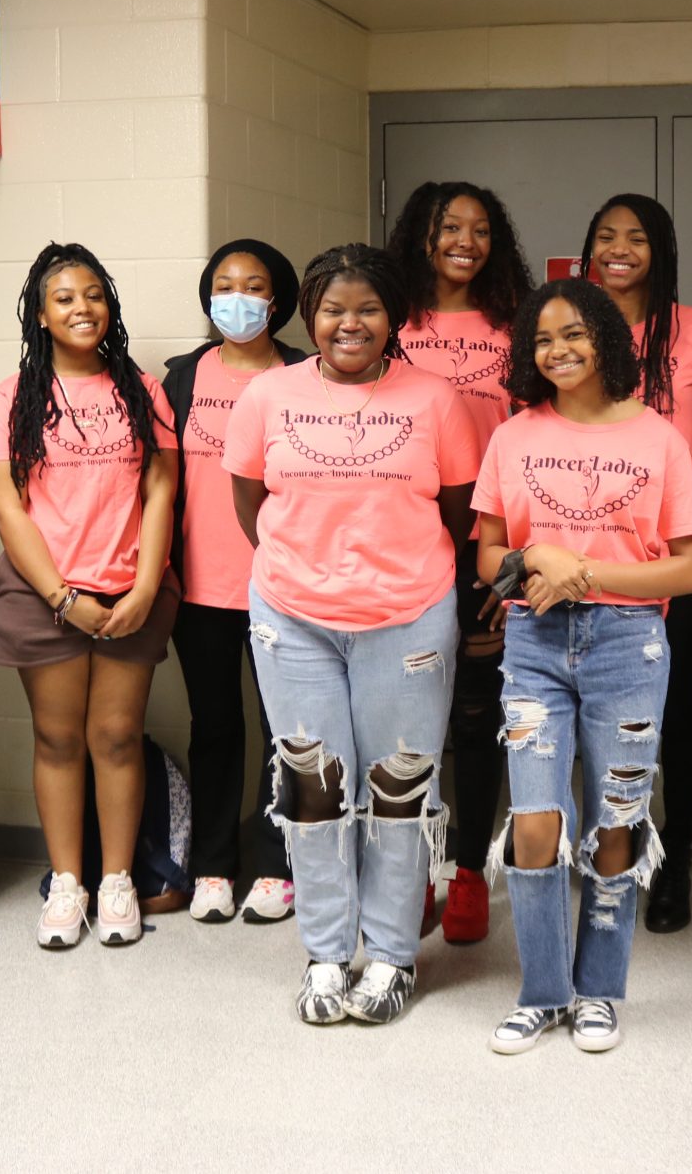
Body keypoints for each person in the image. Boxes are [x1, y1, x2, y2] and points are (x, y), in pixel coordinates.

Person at [223, 243, 480, 1026]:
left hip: (408, 614)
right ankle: (328, 952)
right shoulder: (268, 395)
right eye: (334, 308)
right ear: (310, 314)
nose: (350, 323)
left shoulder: (434, 399)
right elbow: (250, 504)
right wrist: (307, 566)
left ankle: (395, 954)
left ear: (393, 316)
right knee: (312, 792)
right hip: (293, 617)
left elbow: (459, 513)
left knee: (399, 791)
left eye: (368, 308)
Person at [476, 278, 692, 1055]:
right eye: (542, 340)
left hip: (628, 643)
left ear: (608, 337)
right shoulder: (514, 436)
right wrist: (534, 554)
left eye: (573, 333)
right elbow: (488, 558)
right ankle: (543, 991)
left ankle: (601, 990)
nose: (558, 350)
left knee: (616, 822)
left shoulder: (659, 438)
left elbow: (690, 570)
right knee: (537, 819)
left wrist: (584, 572)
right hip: (535, 642)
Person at [0, 242, 179, 950]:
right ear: (40, 314)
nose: (82, 307)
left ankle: (118, 878)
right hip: (45, 593)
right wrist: (64, 598)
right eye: (64, 297)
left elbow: (161, 487)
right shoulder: (9, 397)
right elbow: (4, 504)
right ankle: (68, 881)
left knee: (117, 736)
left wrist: (148, 584)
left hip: (130, 588)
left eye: (93, 294)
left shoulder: (141, 388)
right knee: (59, 738)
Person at [581, 192, 692, 933]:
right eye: (606, 236)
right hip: (592, 552)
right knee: (598, 703)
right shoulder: (572, 329)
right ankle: (613, 839)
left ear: (661, 250)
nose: (619, 249)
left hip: (679, 553)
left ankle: (677, 851)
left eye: (636, 238)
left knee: (674, 702)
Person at [389, 180, 533, 944]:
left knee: (477, 714)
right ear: (423, 234)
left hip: (488, 541)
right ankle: (411, 874)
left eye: (481, 229)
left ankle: (470, 873)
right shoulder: (391, 320)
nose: (465, 241)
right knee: (412, 718)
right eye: (451, 227)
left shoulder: (515, 325)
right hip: (406, 540)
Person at [162, 239, 304, 927]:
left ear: (277, 300)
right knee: (215, 726)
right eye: (224, 283)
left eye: (253, 285)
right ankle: (213, 864)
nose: (238, 296)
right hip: (201, 589)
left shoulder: (306, 375)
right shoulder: (181, 377)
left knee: (289, 731)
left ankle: (280, 863)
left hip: (286, 586)